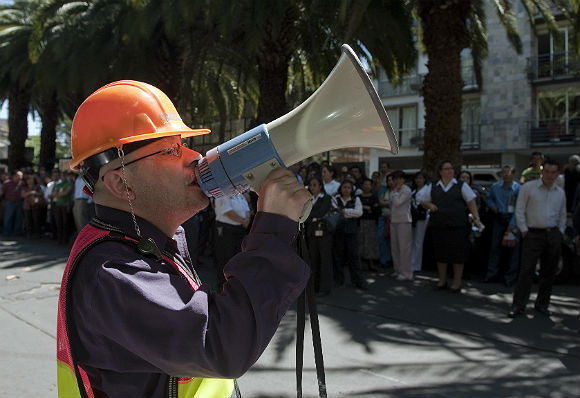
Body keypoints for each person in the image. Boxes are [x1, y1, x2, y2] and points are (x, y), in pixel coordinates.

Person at [56, 80, 311, 398]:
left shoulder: (142, 243)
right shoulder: (110, 271)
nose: (195, 156)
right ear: (122, 184)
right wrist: (273, 230)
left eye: (185, 144)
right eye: (170, 150)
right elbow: (221, 346)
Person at [508, 158, 567, 318]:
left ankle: (542, 304)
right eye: (546, 172)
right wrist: (525, 230)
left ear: (557, 174)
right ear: (542, 172)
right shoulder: (528, 187)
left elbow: (562, 214)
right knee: (526, 271)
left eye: (553, 172)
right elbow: (520, 210)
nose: (549, 175)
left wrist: (560, 232)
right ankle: (518, 305)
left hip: (552, 234)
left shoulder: (560, 193)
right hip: (533, 233)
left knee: (549, 272)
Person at [420, 160, 484, 292]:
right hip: (439, 225)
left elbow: (471, 201)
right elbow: (422, 200)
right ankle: (442, 281)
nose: (450, 171)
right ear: (440, 171)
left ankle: (457, 282)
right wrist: (429, 205)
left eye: (451, 169)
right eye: (447, 169)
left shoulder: (461, 185)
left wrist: (476, 218)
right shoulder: (432, 186)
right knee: (441, 254)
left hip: (458, 226)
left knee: (457, 255)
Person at [485, 165, 521, 287]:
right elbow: (488, 198)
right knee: (495, 247)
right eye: (503, 173)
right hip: (499, 217)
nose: (505, 175)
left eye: (508, 173)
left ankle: (510, 277)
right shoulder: (495, 187)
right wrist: (492, 206)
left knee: (513, 250)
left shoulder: (518, 188)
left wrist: (512, 224)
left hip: (513, 219)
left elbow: (520, 208)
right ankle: (492, 274)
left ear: (513, 174)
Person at [332, 179, 366, 290]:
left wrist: (345, 211)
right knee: (338, 257)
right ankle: (338, 280)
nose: (346, 189)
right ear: (341, 189)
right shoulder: (335, 199)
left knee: (354, 257)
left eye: (348, 188)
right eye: (344, 187)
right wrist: (350, 212)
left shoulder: (356, 199)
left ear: (351, 190)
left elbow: (359, 213)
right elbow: (336, 212)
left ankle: (358, 281)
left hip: (352, 233)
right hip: (339, 233)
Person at [213, 192, 251, 290]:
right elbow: (227, 212)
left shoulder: (239, 195)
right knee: (225, 258)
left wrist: (246, 219)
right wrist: (243, 221)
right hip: (226, 229)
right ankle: (222, 288)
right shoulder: (222, 194)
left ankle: (233, 286)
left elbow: (247, 209)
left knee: (237, 257)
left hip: (239, 229)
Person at [304, 176, 334, 296]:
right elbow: (304, 214)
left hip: (324, 232)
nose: (312, 187)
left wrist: (312, 216)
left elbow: (321, 212)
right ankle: (314, 286)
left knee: (325, 260)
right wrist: (314, 217)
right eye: (310, 185)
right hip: (311, 232)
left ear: (320, 186)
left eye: (314, 185)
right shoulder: (308, 199)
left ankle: (325, 287)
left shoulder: (326, 198)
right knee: (313, 259)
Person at [389, 170, 413, 281]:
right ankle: (397, 270)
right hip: (394, 221)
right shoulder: (393, 190)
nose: (397, 181)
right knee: (395, 248)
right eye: (395, 179)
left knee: (404, 249)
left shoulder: (406, 190)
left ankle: (406, 273)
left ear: (403, 179)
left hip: (404, 221)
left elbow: (398, 202)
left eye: (399, 178)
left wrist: (394, 192)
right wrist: (394, 191)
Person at [358, 177, 380, 271]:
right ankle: (359, 263)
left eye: (369, 184)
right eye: (365, 184)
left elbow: (376, 210)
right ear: (362, 186)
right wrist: (366, 207)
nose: (367, 186)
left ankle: (371, 264)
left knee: (371, 243)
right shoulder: (358, 197)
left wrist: (369, 209)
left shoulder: (374, 197)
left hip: (371, 223)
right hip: (360, 223)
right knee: (360, 242)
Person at [410, 171, 430, 273]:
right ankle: (411, 262)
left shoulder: (428, 189)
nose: (418, 180)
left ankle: (416, 265)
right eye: (417, 178)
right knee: (413, 240)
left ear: (424, 179)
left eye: (421, 178)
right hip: (413, 217)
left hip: (422, 217)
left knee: (418, 241)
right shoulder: (413, 191)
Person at [21, 174, 46, 239]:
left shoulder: (37, 187)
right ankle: (29, 234)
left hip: (36, 205)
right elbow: (23, 195)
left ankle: (37, 234)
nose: (30, 181)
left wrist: (34, 193)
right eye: (28, 179)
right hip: (27, 206)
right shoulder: (25, 187)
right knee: (28, 220)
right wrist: (30, 193)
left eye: (31, 179)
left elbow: (41, 194)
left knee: (36, 220)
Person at [2, 170, 24, 236]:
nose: (20, 177)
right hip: (10, 202)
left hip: (19, 202)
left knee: (19, 217)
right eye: (19, 176)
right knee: (8, 217)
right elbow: (2, 192)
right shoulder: (7, 183)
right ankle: (6, 231)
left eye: (21, 176)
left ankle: (17, 231)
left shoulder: (22, 183)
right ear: (14, 176)